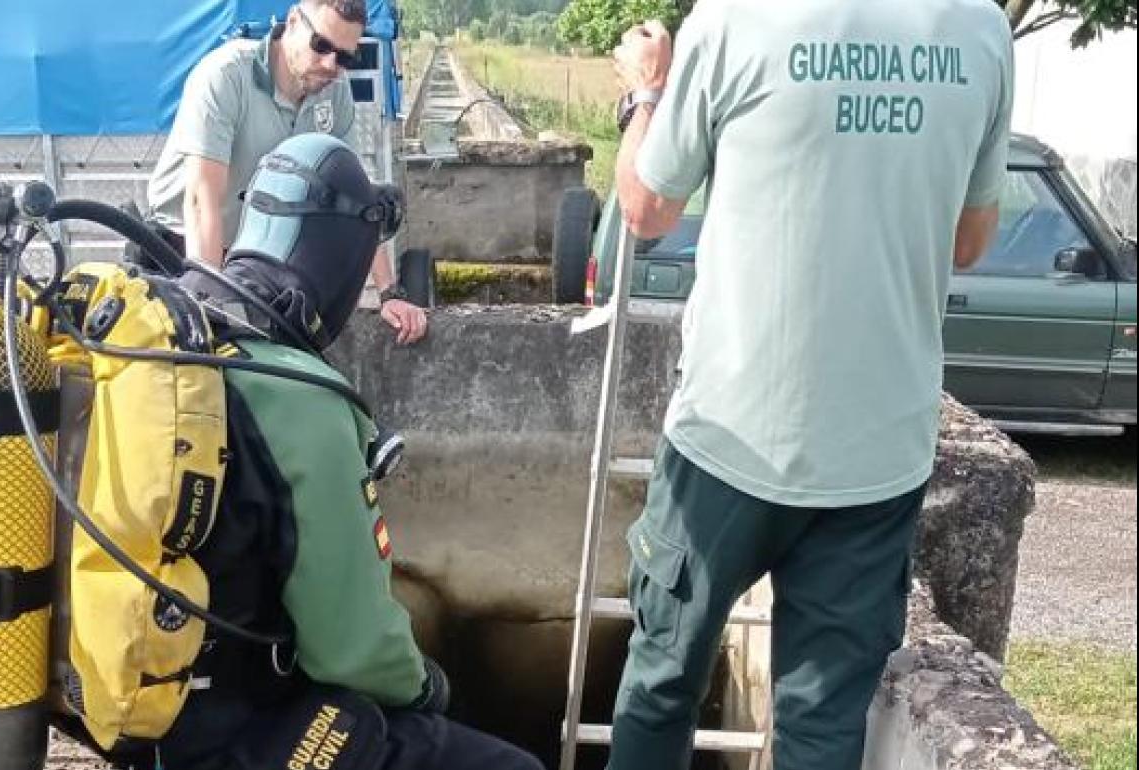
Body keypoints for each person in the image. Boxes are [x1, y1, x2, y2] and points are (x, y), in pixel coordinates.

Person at [606, 0, 1014, 767]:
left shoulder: (733, 19)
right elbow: (970, 239)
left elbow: (645, 207)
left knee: (662, 684)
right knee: (823, 726)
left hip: (728, 440)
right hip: (877, 452)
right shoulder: (981, 27)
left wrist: (646, 94)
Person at [137, 132, 543, 770]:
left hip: (143, 716)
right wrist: (427, 686)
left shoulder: (160, 346)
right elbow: (351, 651)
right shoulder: (300, 399)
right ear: (339, 261)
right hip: (240, 733)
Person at [146, 0, 427, 345]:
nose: (330, 65)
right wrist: (210, 307)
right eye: (321, 46)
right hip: (183, 251)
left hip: (252, 261)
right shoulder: (226, 76)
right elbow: (202, 201)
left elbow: (357, 202)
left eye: (345, 58)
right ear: (293, 21)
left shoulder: (334, 94)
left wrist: (389, 294)